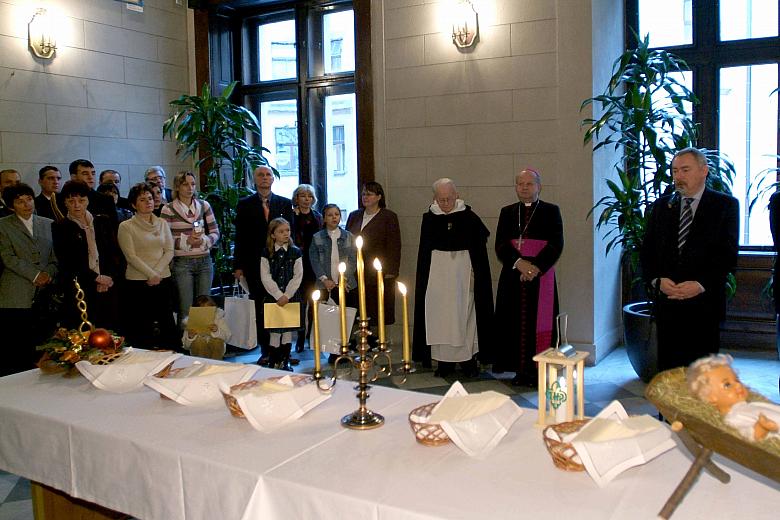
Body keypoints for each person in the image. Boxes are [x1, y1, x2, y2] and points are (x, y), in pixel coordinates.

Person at [642, 147, 739, 371]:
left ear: (704, 171)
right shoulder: (662, 206)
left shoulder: (725, 206)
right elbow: (647, 252)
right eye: (675, 171)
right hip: (668, 304)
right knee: (669, 374)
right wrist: (657, 280)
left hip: (704, 305)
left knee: (701, 374)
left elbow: (727, 255)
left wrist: (700, 284)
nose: (678, 177)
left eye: (685, 170)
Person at [413, 179, 493, 377]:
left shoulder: (470, 218)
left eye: (449, 198)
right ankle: (444, 362)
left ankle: (468, 360)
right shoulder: (430, 219)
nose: (445, 203)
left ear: (457, 195)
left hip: (463, 279)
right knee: (439, 318)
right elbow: (424, 254)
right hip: (437, 280)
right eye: (441, 199)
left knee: (465, 317)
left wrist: (475, 276)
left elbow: (479, 252)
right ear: (435, 198)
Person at [495, 168, 563, 386]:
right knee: (513, 323)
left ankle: (537, 372)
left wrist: (534, 268)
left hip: (541, 277)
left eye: (529, 184)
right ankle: (519, 370)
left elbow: (556, 244)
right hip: (513, 276)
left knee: (538, 323)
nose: (524, 187)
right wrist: (520, 264)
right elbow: (500, 245)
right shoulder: (507, 212)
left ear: (539, 186)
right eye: (520, 184)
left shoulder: (551, 211)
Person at [233, 165, 294, 365]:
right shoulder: (245, 204)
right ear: (254, 179)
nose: (265, 178)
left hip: (281, 264)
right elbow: (240, 236)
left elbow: (291, 234)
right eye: (260, 175)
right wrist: (238, 266)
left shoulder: (284, 203)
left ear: (273, 179)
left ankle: (284, 350)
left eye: (268, 175)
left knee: (283, 306)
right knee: (261, 307)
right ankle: (266, 350)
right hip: (254, 263)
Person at [0, 183, 57, 375]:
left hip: (45, 291)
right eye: (20, 201)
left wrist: (48, 273)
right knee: (19, 343)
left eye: (29, 199)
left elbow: (55, 257)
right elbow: (8, 257)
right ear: (11, 206)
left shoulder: (48, 223)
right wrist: (35, 275)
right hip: (16, 291)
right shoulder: (3, 225)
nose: (27, 205)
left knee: (45, 340)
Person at [52, 180, 124, 330]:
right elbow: (68, 261)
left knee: (111, 331)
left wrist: (108, 277)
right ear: (65, 203)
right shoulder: (60, 227)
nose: (77, 205)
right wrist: (96, 278)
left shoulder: (102, 221)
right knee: (84, 332)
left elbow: (114, 253)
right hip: (80, 287)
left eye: (81, 200)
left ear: (88, 200)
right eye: (71, 201)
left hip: (108, 284)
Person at [117, 182, 177, 349]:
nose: (148, 202)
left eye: (150, 198)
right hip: (138, 281)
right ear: (133, 204)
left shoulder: (162, 223)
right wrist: (150, 274)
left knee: (166, 321)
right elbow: (131, 256)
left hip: (163, 278)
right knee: (141, 324)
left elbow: (169, 250)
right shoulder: (126, 226)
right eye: (142, 200)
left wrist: (156, 273)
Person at [160, 171, 220, 330]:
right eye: (185, 184)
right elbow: (164, 238)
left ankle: (204, 339)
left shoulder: (204, 205)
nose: (190, 188)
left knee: (205, 305)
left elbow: (215, 232)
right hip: (182, 263)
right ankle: (185, 340)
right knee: (185, 306)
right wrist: (186, 241)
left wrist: (204, 240)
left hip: (204, 261)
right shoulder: (168, 209)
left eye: (192, 184)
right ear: (177, 187)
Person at [346, 181, 401, 344]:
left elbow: (394, 245)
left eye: (369, 194)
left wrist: (391, 271)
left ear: (378, 197)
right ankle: (358, 338)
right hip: (356, 270)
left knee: (376, 306)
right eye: (363, 194)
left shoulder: (388, 217)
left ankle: (375, 339)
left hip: (377, 269)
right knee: (358, 304)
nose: (365, 197)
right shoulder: (354, 215)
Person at [688, 354, 779, 442]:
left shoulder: (752, 405)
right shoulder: (733, 417)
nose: (738, 384)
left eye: (737, 380)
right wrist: (761, 427)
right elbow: (746, 435)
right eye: (727, 385)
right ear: (711, 398)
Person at [309, 204, 358, 363]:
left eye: (336, 214)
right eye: (330, 215)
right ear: (324, 218)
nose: (334, 217)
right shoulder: (317, 237)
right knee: (329, 318)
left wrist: (345, 277)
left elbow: (353, 259)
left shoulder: (348, 236)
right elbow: (314, 260)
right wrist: (324, 279)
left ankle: (345, 348)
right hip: (325, 284)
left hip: (345, 283)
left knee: (345, 317)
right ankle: (332, 350)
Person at [260, 218, 303, 371]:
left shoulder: (295, 252)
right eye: (281, 231)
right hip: (273, 298)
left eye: (287, 230)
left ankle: (285, 360)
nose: (286, 234)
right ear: (273, 235)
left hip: (290, 297)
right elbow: (265, 276)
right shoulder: (266, 252)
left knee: (287, 329)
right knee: (275, 330)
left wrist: (287, 295)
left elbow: (298, 276)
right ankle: (273, 360)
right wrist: (278, 295)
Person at [291, 184, 323, 354]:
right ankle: (300, 336)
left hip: (313, 263)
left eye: (309, 196)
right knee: (300, 302)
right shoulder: (291, 215)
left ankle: (311, 334)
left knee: (313, 301)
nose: (306, 199)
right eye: (302, 196)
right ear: (296, 198)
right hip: (298, 262)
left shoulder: (317, 216)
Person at [68, 159, 118, 231]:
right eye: (85, 174)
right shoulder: (64, 198)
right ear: (74, 177)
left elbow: (114, 228)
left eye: (93, 173)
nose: (90, 177)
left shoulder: (106, 199)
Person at [181, 295, 231, 360]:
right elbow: (186, 346)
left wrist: (217, 331)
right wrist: (190, 337)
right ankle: (202, 364)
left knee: (217, 341)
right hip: (198, 354)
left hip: (216, 353)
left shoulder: (218, 319)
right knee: (199, 342)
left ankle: (215, 364)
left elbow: (227, 337)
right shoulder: (191, 322)